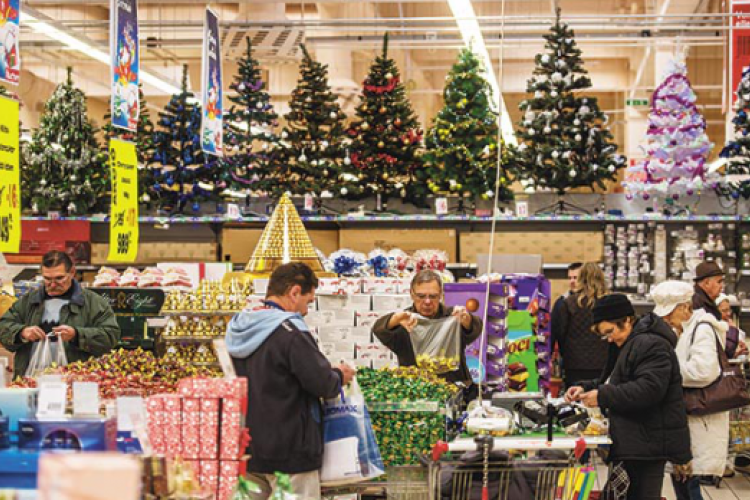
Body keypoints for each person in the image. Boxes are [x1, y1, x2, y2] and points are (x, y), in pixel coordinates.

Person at [226, 262, 355, 500]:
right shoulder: (291, 332)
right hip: (291, 451)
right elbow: (322, 384)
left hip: (249, 448)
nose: (306, 310)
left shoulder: (237, 329)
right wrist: (339, 374)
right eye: (308, 301)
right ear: (294, 292)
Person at [565, 294, 691, 500]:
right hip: (635, 439)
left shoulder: (651, 344)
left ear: (626, 320)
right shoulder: (628, 344)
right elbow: (613, 380)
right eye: (605, 335)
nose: (610, 339)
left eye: (610, 332)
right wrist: (584, 388)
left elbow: (649, 390)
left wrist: (602, 396)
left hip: (649, 444)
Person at [0, 250, 120, 379]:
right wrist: (22, 333)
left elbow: (110, 336)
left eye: (59, 278)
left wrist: (77, 335)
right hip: (30, 380)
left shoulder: (94, 303)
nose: (52, 284)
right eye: (47, 279)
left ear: (72, 272)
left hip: (77, 382)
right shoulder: (27, 302)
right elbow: (3, 327)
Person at [651, 281, 715, 500]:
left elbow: (704, 371)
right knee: (682, 481)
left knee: (689, 482)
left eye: (669, 314)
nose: (666, 320)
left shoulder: (702, 328)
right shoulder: (682, 330)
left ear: (683, 307)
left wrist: (666, 371)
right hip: (681, 418)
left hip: (697, 416)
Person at [372, 270, 481, 385]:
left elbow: (475, 328)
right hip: (417, 390)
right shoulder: (404, 321)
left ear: (441, 295)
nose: (427, 301)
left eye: (433, 296)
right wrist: (395, 319)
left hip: (455, 387)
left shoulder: (452, 317)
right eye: (421, 296)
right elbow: (379, 329)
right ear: (411, 294)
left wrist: (466, 319)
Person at [551, 262, 609, 388]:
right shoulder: (610, 302)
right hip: (606, 363)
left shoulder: (568, 303)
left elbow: (559, 333)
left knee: (576, 401)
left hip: (575, 365)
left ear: (582, 279)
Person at [716, 294, 748, 359]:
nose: (728, 313)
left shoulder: (730, 324)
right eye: (724, 311)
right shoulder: (713, 327)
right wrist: (733, 330)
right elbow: (728, 353)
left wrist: (742, 350)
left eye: (729, 310)